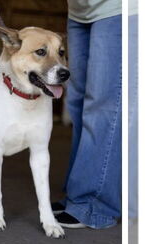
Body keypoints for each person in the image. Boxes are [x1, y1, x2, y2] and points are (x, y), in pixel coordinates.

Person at [52, 0, 122, 228]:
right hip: (80, 11)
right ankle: (76, 196)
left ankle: (94, 204)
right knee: (77, 102)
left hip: (118, 9)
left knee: (103, 105)